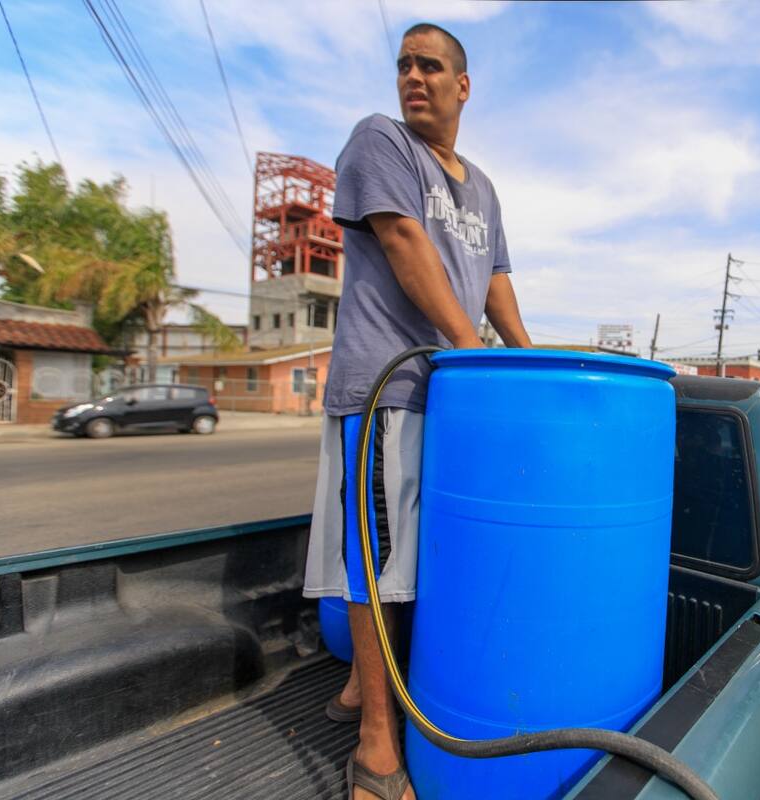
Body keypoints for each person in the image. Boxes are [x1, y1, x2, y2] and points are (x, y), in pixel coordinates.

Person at [301, 22, 532, 800]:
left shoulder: (484, 187)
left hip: (450, 392)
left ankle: (364, 688)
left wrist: (526, 362)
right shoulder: (379, 141)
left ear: (462, 85)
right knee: (376, 563)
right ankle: (375, 746)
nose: (413, 77)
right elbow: (404, 241)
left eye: (430, 66)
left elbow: (493, 279)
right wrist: (473, 353)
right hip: (386, 387)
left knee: (420, 563)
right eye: (403, 65)